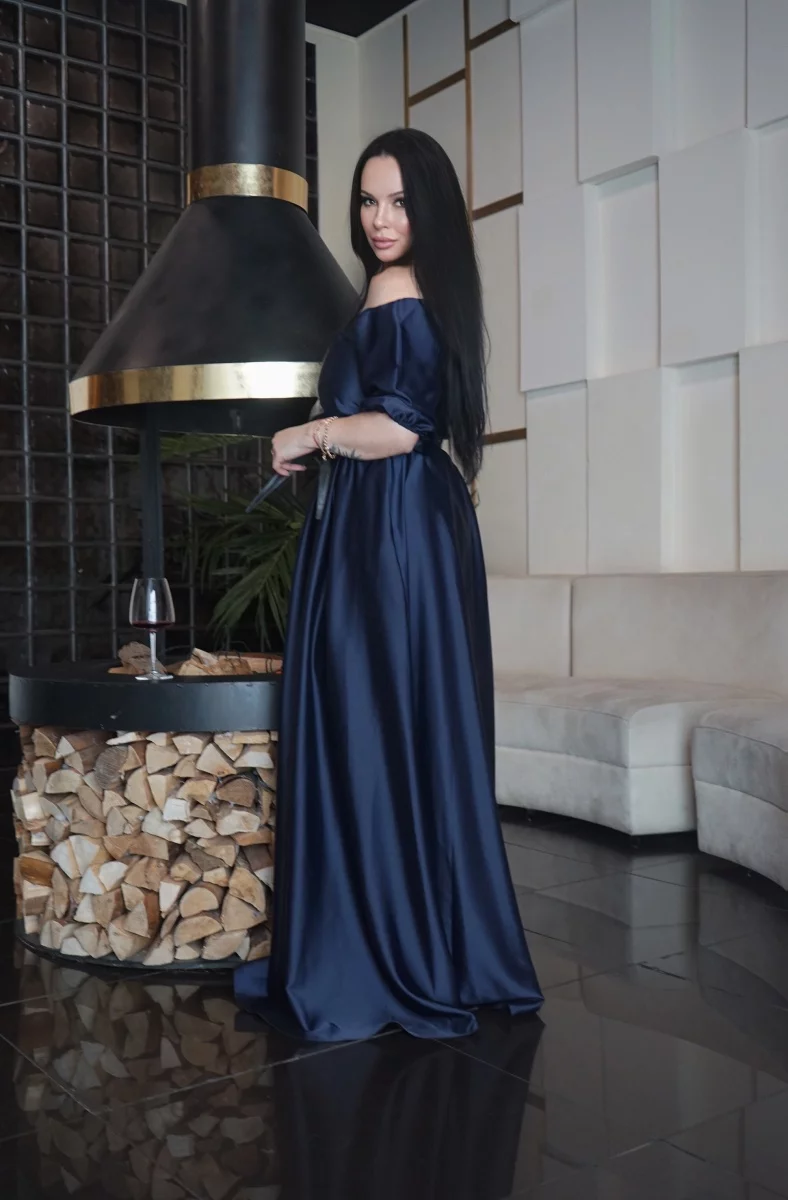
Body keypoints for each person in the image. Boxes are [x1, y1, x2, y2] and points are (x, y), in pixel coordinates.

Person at [234, 128, 543, 1040]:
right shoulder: (396, 288)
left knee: (377, 720)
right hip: (384, 522)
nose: (379, 219)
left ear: (429, 209)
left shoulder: (405, 295)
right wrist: (328, 431)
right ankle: (392, 936)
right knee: (384, 721)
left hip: (395, 529)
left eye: (400, 202)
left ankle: (383, 949)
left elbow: (402, 429)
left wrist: (310, 434)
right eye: (369, 200)